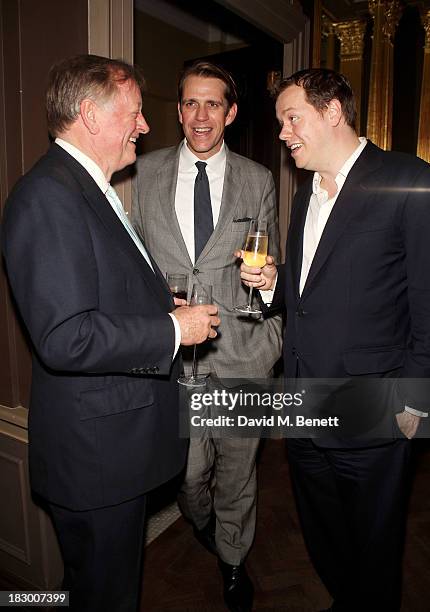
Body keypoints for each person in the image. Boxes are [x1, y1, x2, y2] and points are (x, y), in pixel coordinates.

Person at [1, 54, 220, 612]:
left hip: (112, 451)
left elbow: (94, 298)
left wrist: (153, 304)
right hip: (96, 460)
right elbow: (65, 337)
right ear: (89, 115)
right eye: (135, 113)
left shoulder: (87, 187)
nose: (145, 127)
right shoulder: (48, 196)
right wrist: (171, 329)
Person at [238, 68, 430, 611]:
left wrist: (416, 400)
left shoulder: (409, 179)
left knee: (375, 547)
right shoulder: (304, 197)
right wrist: (274, 283)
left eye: (291, 118)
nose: (282, 133)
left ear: (332, 113)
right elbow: (306, 293)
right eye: (281, 122)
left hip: (375, 409)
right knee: (325, 537)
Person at [132, 60, 282, 612]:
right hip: (179, 358)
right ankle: (204, 522)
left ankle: (234, 559)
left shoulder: (257, 179)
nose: (201, 115)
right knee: (190, 475)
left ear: (231, 113)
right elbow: (135, 265)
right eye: (191, 103)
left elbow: (271, 270)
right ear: (178, 111)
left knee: (239, 472)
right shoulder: (143, 175)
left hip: (242, 352)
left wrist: (264, 285)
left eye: (213, 103)